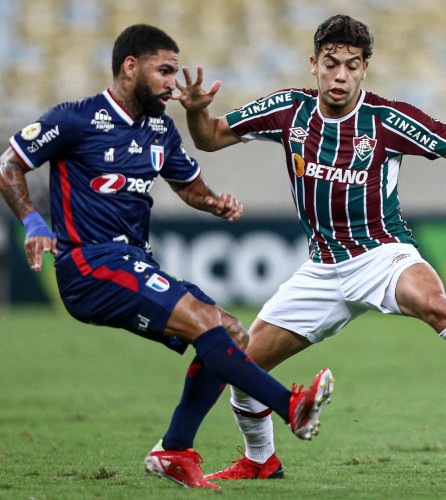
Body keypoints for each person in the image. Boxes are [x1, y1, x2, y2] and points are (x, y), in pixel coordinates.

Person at [177, 14, 446, 480]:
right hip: (321, 270)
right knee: (241, 368)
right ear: (313, 64)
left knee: (436, 304)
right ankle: (260, 461)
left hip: (382, 254)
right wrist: (194, 109)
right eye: (331, 63)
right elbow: (209, 138)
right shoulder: (287, 110)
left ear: (365, 69)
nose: (340, 75)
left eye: (352, 66)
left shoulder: (387, 120)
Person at [0, 24, 334, 490]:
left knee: (232, 333)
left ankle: (174, 449)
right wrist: (34, 223)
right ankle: (289, 404)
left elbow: (187, 185)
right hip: (88, 264)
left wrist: (213, 201)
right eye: (164, 71)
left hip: (134, 262)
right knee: (203, 319)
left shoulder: (160, 129)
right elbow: (9, 163)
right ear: (129, 67)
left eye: (175, 72)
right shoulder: (75, 119)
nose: (172, 83)